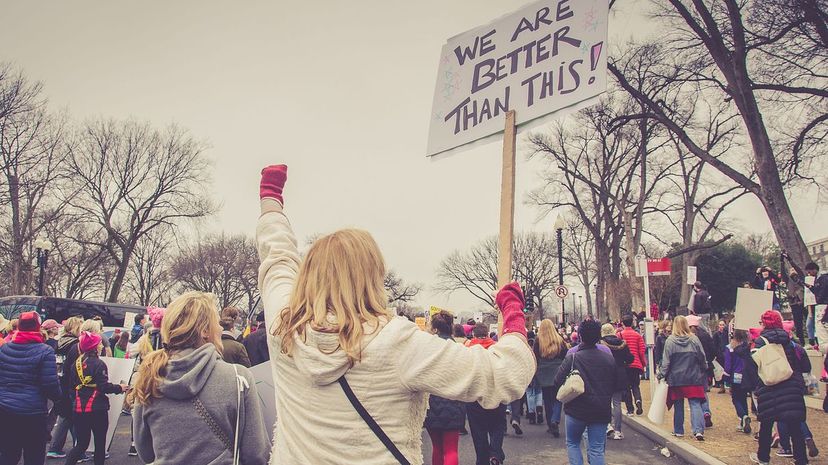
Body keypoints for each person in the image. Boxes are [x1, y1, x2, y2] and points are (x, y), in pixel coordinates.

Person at [256, 164, 535, 465]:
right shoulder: (394, 342)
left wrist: (271, 202)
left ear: (308, 275)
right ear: (373, 277)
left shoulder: (283, 327)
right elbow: (504, 375)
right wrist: (513, 312)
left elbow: (277, 258)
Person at [132, 291, 269, 465]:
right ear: (204, 331)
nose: (220, 328)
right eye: (216, 323)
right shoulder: (238, 378)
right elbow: (255, 453)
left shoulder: (149, 378)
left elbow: (145, 452)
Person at [551, 319, 616, 465]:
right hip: (601, 409)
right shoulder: (609, 359)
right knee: (596, 449)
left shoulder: (573, 358)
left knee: (573, 443)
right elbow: (616, 384)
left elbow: (556, 381)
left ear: (580, 335)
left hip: (576, 409)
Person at [0, 311, 62, 465]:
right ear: (37, 327)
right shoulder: (45, 351)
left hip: (5, 409)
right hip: (32, 412)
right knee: (33, 456)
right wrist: (59, 399)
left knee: (8, 454)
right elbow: (50, 385)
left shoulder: (5, 349)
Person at [749, 311, 809, 465]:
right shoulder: (790, 341)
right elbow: (802, 364)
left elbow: (753, 365)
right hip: (791, 387)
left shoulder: (760, 342)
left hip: (769, 386)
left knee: (766, 425)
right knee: (794, 425)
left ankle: (763, 457)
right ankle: (801, 459)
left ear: (764, 323)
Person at [63, 331, 128, 465]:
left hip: (79, 408)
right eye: (99, 343)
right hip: (97, 408)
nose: (101, 345)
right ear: (94, 347)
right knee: (100, 444)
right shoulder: (99, 364)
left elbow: (71, 386)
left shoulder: (76, 363)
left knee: (81, 444)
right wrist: (119, 388)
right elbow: (103, 387)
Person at [424, 312, 465, 465]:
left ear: (435, 329)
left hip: (432, 401)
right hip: (454, 400)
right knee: (451, 449)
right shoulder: (459, 349)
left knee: (437, 447)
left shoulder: (428, 349)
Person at [661, 315, 707, 441]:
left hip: (676, 377)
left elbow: (666, 362)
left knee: (678, 404)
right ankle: (698, 431)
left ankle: (678, 430)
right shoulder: (694, 339)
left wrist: (662, 374)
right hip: (693, 376)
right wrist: (704, 368)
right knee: (695, 403)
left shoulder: (670, 341)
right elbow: (702, 356)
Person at [48, 316, 84, 460]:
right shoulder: (75, 345)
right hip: (70, 385)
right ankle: (76, 449)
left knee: (66, 416)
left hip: (59, 381)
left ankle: (63, 448)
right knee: (69, 417)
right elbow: (76, 367)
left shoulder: (59, 342)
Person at [535, 319, 568, 438]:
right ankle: (555, 420)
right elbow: (566, 355)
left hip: (544, 372)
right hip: (557, 371)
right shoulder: (560, 340)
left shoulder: (538, 341)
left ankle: (550, 424)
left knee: (547, 399)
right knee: (558, 398)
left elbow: (535, 357)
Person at [601, 323, 633, 440]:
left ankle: (608, 425)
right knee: (617, 403)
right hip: (620, 373)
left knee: (606, 401)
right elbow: (630, 358)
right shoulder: (622, 344)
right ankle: (618, 430)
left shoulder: (601, 344)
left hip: (605, 374)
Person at [723, 329, 758, 434]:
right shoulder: (747, 347)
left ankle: (743, 416)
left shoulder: (730, 348)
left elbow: (728, 365)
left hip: (735, 375)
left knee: (735, 398)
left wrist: (726, 380)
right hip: (747, 375)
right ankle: (744, 421)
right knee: (743, 398)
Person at [687, 315, 715, 427]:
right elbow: (713, 350)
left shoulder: (688, 337)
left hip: (691, 368)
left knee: (694, 396)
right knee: (703, 391)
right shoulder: (705, 335)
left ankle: (698, 422)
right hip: (704, 367)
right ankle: (706, 411)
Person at [619, 314, 646, 416]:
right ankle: (638, 401)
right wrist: (643, 363)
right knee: (635, 385)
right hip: (636, 364)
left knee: (626, 388)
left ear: (622, 323)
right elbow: (641, 351)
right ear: (632, 323)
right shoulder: (637, 335)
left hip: (624, 365)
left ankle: (630, 409)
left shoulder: (620, 335)